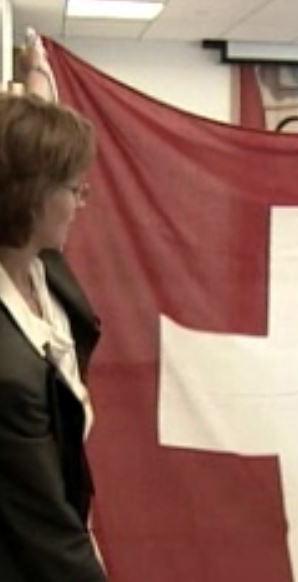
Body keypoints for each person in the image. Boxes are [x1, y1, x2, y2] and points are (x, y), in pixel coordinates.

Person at [0, 33, 107, 581]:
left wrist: (36, 76)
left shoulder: (43, 267)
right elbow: (46, 531)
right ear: (31, 196)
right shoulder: (7, 372)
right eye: (74, 189)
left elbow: (20, 151)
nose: (82, 201)